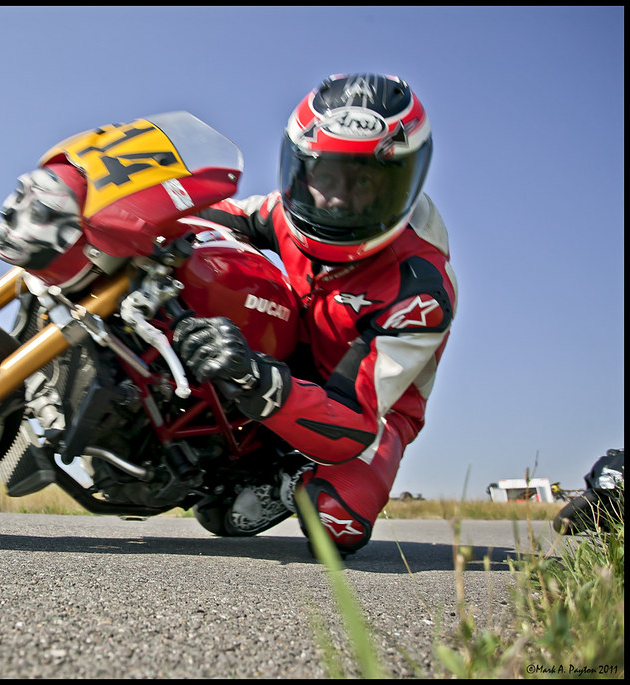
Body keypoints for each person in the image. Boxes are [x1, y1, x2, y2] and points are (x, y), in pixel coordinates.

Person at [172, 73, 458, 555]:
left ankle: (287, 481)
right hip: (296, 351)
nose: (338, 198)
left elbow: (353, 418)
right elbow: (220, 215)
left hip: (368, 411)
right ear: (302, 169)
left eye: (363, 180)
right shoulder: (288, 209)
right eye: (327, 176)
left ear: (402, 181)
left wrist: (255, 380)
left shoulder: (420, 290)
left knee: (335, 519)